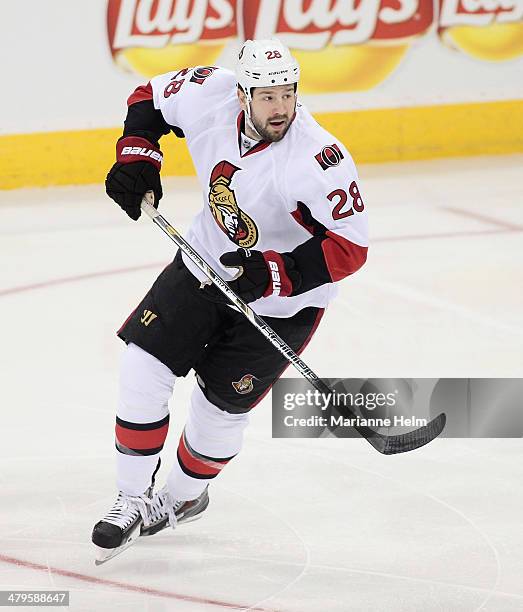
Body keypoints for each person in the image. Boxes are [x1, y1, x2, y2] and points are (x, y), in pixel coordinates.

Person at [92, 39, 368, 563]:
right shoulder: (209, 94)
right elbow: (148, 96)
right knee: (140, 368)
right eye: (267, 96)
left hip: (284, 304)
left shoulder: (319, 157)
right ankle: (130, 498)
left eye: (288, 94)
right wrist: (138, 155)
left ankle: (177, 499)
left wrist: (272, 274)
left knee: (218, 415)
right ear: (241, 93)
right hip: (205, 266)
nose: (281, 108)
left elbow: (350, 247)